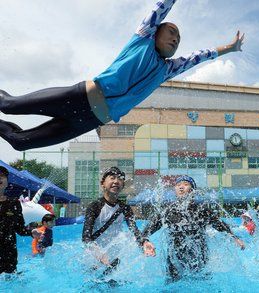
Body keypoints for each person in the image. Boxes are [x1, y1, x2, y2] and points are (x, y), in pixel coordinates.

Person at [0, 0, 245, 151]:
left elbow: (200, 56)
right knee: (8, 104)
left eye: (178, 39)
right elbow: (162, 6)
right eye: (171, 32)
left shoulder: (166, 70)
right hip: (78, 98)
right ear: (155, 32)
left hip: (88, 121)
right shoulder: (142, 39)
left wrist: (230, 48)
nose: (175, 39)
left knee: (21, 143)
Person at [142, 175, 245, 282]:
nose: (181, 187)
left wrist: (235, 237)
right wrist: (145, 241)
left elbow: (219, 225)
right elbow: (147, 230)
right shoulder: (167, 211)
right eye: (178, 185)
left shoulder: (201, 210)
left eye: (186, 184)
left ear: (193, 190)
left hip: (199, 256)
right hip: (175, 259)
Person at [82, 167, 154, 270]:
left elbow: (135, 231)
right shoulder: (95, 206)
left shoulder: (125, 208)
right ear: (103, 183)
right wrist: (98, 253)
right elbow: (86, 237)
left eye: (119, 179)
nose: (116, 181)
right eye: (112, 178)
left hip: (114, 257)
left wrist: (144, 242)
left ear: (123, 185)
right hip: (95, 257)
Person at [0, 166, 39, 274]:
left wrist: (31, 232)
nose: (0, 178)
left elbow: (20, 228)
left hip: (9, 256)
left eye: (2, 176)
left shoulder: (14, 204)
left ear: (7, 182)